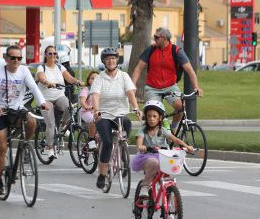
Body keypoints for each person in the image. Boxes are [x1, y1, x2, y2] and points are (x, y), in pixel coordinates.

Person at [0, 45, 51, 195]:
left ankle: (24, 146)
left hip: (17, 108)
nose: (16, 61)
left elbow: (34, 87)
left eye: (19, 58)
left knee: (32, 122)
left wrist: (42, 102)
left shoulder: (24, 70)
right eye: (13, 58)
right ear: (6, 58)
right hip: (0, 111)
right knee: (3, 146)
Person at [131, 27, 203, 132]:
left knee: (181, 106)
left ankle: (173, 129)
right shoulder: (151, 50)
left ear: (164, 38)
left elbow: (190, 71)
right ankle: (155, 135)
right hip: (152, 87)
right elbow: (138, 69)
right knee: (153, 112)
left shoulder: (176, 51)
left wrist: (196, 87)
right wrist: (132, 87)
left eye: (156, 37)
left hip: (170, 86)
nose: (154, 39)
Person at [91, 47, 143, 190]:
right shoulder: (100, 78)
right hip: (104, 115)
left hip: (120, 113)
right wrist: (96, 110)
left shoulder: (123, 76)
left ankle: (123, 152)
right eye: (108, 59)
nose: (111, 61)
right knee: (107, 142)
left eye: (113, 58)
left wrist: (136, 108)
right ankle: (102, 175)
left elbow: (130, 92)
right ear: (104, 62)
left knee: (127, 123)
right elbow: (95, 95)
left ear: (117, 60)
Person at [36, 45, 83, 160]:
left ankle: (63, 126)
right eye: (50, 53)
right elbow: (41, 78)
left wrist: (78, 82)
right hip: (45, 98)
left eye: (54, 53)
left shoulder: (60, 67)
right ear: (45, 55)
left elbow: (69, 78)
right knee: (51, 124)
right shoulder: (41, 67)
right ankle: (50, 148)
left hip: (59, 96)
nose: (53, 55)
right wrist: (48, 83)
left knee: (69, 107)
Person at [131, 100, 193, 187]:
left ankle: (167, 189)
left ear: (160, 118)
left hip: (162, 155)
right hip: (147, 156)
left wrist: (187, 146)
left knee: (170, 165)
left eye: (154, 116)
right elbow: (139, 140)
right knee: (154, 163)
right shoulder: (143, 129)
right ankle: (145, 186)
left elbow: (175, 140)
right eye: (149, 116)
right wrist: (140, 146)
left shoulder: (163, 130)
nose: (151, 118)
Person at [79, 70, 99, 150]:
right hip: (87, 112)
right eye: (92, 78)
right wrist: (87, 107)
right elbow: (82, 101)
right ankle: (91, 140)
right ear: (89, 80)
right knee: (93, 120)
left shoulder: (102, 90)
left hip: (98, 111)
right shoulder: (86, 90)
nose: (94, 80)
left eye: (97, 79)